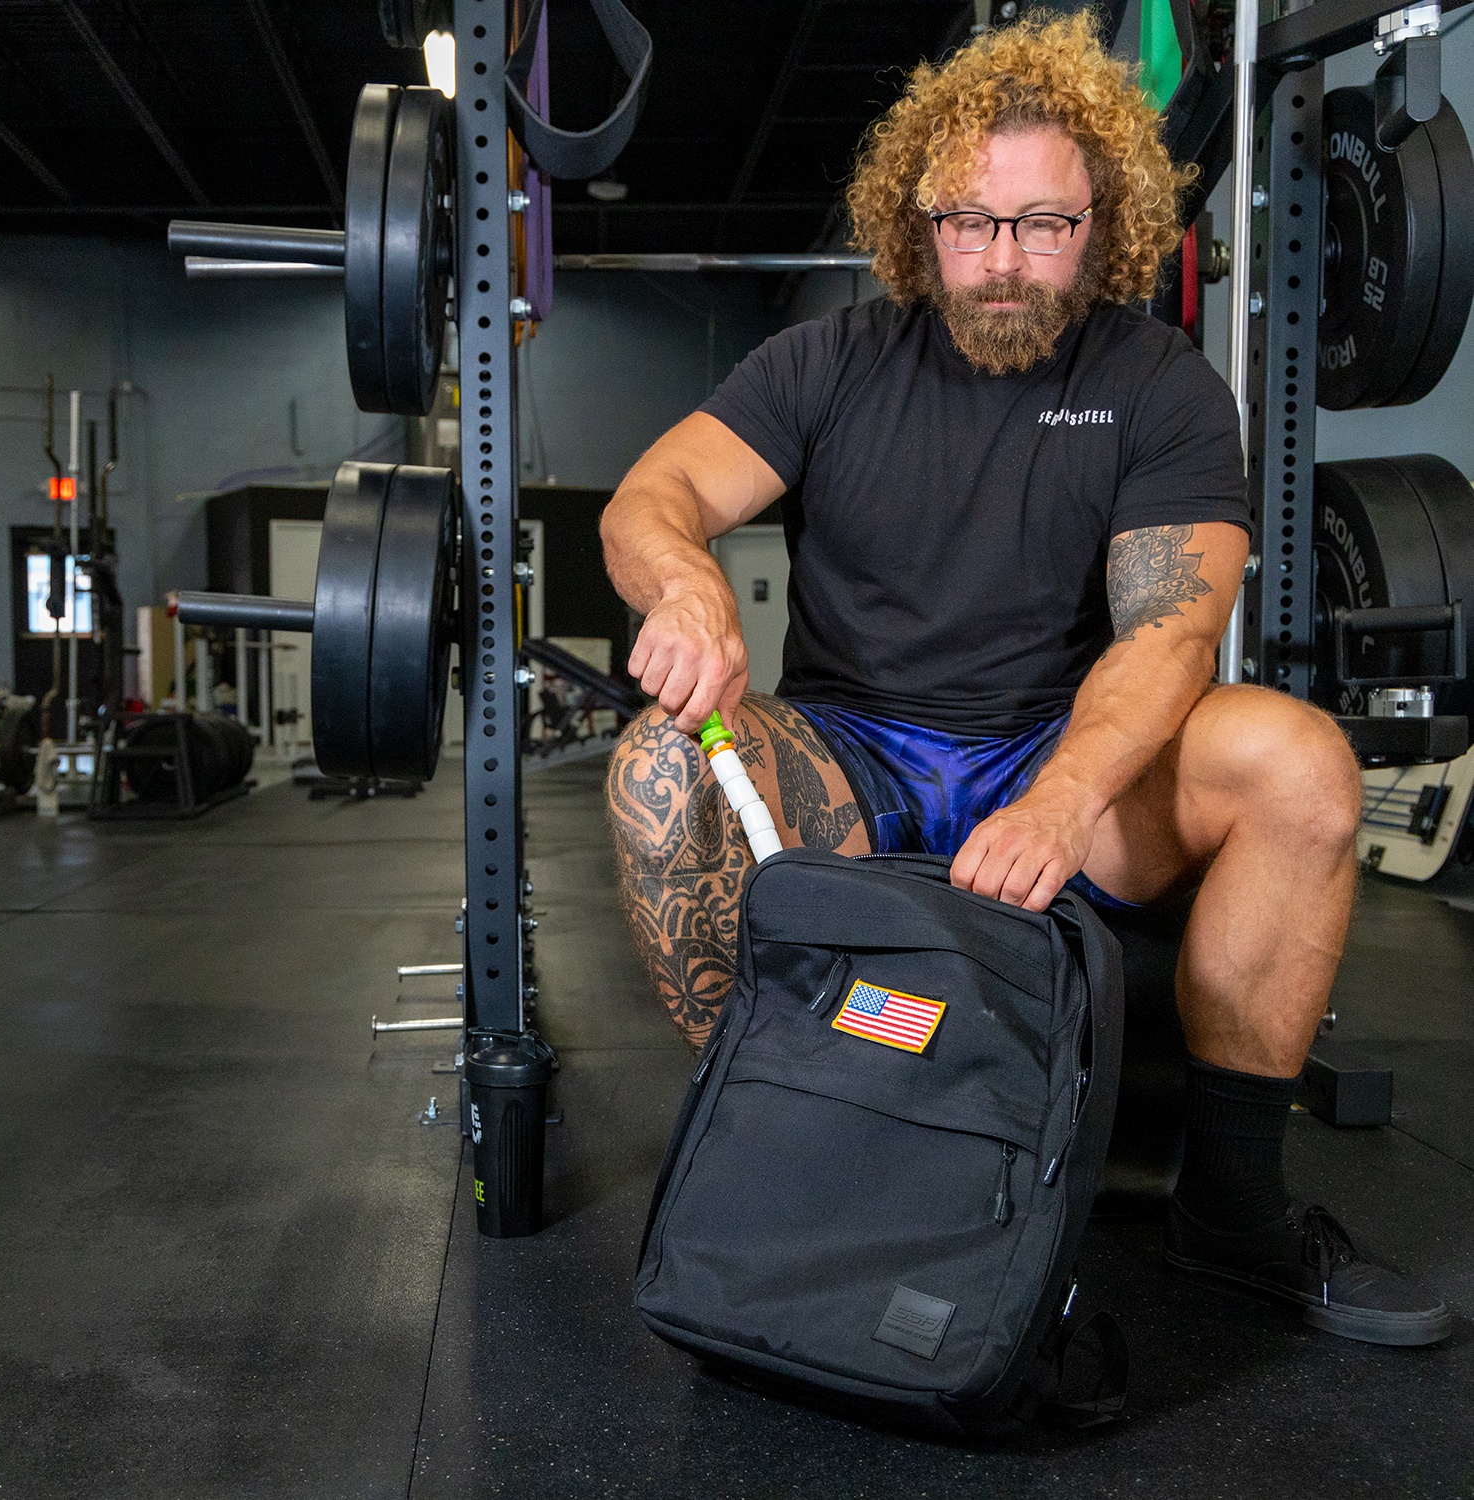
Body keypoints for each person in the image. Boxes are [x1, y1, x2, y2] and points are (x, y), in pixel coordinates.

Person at [599, 11, 1449, 1347]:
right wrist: (691, 584)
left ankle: (1231, 1215)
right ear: (915, 221)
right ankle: (779, 1143)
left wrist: (1059, 801)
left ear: (1100, 222)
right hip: (853, 761)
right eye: (969, 224)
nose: (1003, 264)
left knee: (1301, 762)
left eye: (1043, 226)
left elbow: (1167, 635)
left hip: (1064, 757)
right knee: (657, 770)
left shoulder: (1160, 384)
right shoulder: (824, 362)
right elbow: (655, 495)